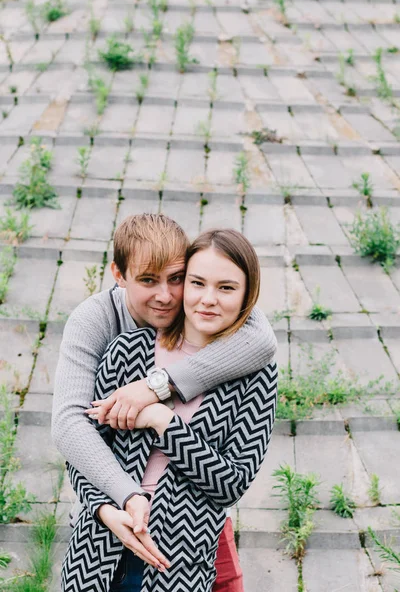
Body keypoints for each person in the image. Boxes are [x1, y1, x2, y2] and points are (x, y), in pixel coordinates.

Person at [52, 214, 277, 590]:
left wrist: (161, 417)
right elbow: (78, 441)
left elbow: (232, 482)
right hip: (100, 543)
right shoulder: (121, 346)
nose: (167, 295)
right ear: (118, 275)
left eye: (176, 279)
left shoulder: (251, 368)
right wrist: (114, 505)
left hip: (185, 554)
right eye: (197, 283)